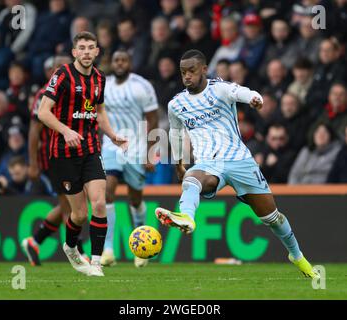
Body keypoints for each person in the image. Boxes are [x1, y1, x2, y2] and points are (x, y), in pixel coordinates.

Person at [155, 49, 318, 279]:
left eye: (191, 71)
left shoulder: (220, 89)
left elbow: (243, 92)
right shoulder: (176, 104)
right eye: (183, 73)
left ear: (204, 69)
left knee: (272, 218)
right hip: (209, 162)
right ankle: (187, 217)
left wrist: (255, 99)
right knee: (192, 178)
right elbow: (175, 133)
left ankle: (296, 255)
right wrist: (178, 163)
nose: (187, 76)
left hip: (240, 161)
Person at [38, 31, 127, 277]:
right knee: (79, 214)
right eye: (82, 48)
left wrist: (111, 134)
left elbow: (99, 111)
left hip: (90, 149)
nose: (87, 52)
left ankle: (96, 261)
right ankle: (70, 247)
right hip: (63, 152)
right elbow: (43, 112)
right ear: (75, 52)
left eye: (91, 47)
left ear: (97, 51)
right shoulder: (62, 75)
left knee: (99, 202)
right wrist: (66, 131)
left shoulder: (99, 78)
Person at [21, 54, 88, 267]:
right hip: (54, 157)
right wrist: (33, 163)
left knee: (71, 203)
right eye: (58, 67)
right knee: (71, 205)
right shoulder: (44, 94)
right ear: (51, 72)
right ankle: (79, 252)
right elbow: (34, 131)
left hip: (76, 154)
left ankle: (35, 240)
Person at [100, 50, 158, 268]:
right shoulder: (104, 86)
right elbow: (99, 116)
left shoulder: (142, 86)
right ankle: (108, 250)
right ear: (112, 63)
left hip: (135, 148)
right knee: (107, 191)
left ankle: (141, 249)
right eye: (116, 60)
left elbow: (153, 120)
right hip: (111, 146)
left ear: (130, 63)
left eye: (124, 59)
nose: (120, 63)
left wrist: (152, 152)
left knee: (135, 198)